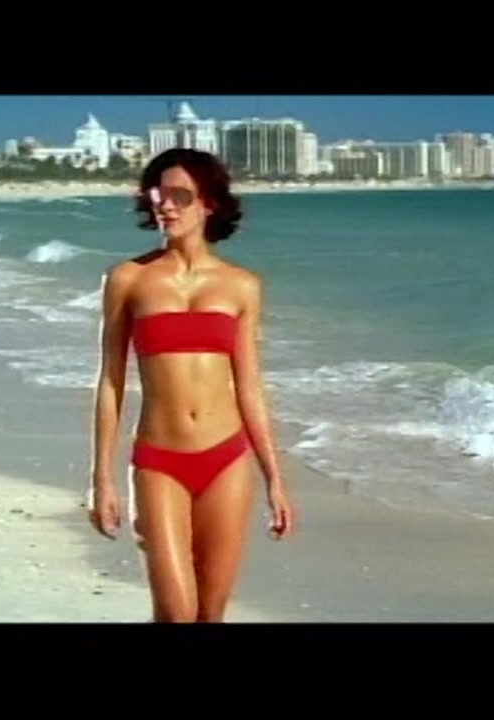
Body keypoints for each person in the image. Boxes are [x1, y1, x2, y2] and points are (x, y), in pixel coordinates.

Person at [88, 148, 296, 623]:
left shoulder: (242, 286)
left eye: (180, 195)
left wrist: (275, 480)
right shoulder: (129, 279)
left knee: (211, 613)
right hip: (159, 461)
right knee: (176, 612)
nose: (166, 205)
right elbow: (111, 381)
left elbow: (250, 387)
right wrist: (101, 479)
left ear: (209, 203)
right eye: (158, 194)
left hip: (226, 460)